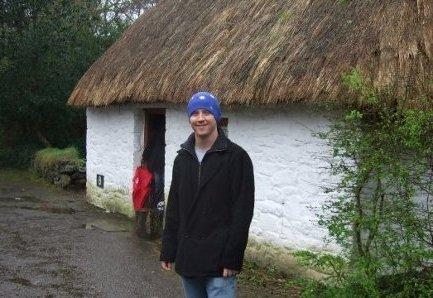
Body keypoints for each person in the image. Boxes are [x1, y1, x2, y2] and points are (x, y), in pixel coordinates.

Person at [160, 91, 255, 298]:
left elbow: (243, 212)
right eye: (195, 113)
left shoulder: (236, 158)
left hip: (219, 261)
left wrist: (233, 257)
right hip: (189, 256)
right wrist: (168, 248)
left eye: (206, 112)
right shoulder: (182, 158)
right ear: (190, 119)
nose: (200, 118)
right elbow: (174, 206)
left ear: (217, 117)